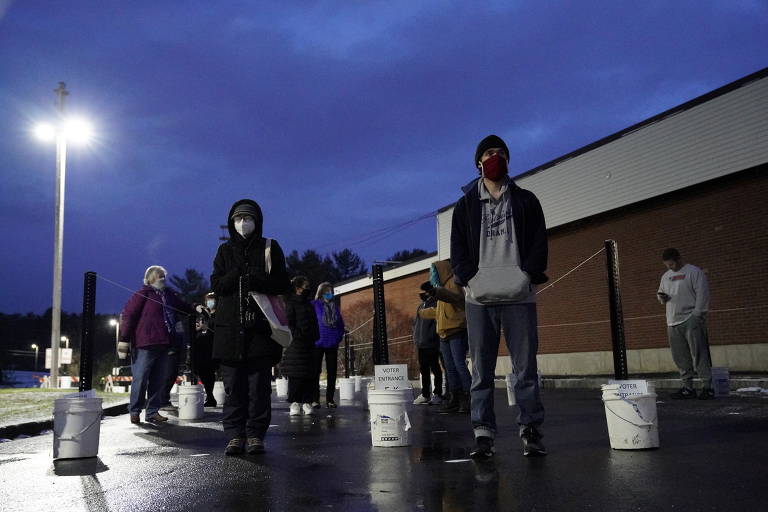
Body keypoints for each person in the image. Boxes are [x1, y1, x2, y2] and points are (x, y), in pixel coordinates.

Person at [451, 134, 549, 458]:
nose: (496, 157)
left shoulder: (526, 201)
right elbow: (458, 252)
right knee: (481, 370)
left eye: (501, 153)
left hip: (519, 296)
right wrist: (471, 280)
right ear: (479, 162)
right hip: (479, 300)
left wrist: (527, 276)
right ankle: (483, 434)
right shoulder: (464, 207)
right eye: (490, 153)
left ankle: (530, 430)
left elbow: (538, 243)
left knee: (525, 368)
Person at [211, 199, 290, 456]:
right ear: (231, 222)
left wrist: (257, 279)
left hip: (260, 330)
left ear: (257, 221)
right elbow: (218, 285)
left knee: (258, 387)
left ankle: (256, 434)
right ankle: (235, 435)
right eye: (238, 219)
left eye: (248, 218)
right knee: (233, 386)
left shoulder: (270, 247)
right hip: (230, 330)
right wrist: (235, 275)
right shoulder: (224, 251)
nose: (243, 223)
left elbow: (282, 283)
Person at [118, 265, 194, 424]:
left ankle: (152, 411)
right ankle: (135, 411)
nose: (163, 280)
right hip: (144, 344)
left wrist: (196, 308)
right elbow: (128, 316)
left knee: (158, 380)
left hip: (164, 343)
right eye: (160, 277)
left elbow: (183, 306)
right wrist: (124, 339)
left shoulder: (168, 295)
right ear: (150, 279)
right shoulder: (142, 295)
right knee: (140, 379)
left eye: (163, 277)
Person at [657, 248, 713, 399]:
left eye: (672, 265)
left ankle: (707, 386)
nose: (670, 268)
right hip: (672, 321)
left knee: (699, 353)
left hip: (691, 318)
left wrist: (697, 314)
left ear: (679, 259)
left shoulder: (693, 272)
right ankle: (688, 387)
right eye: (667, 266)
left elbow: (703, 293)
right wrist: (662, 297)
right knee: (680, 356)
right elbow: (660, 294)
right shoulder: (666, 276)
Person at [419, 260, 471, 414]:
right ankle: (455, 397)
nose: (432, 275)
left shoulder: (453, 283)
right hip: (444, 333)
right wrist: (422, 311)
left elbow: (455, 298)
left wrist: (436, 292)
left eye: (434, 271)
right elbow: (440, 311)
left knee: (459, 365)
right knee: (450, 368)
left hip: (456, 331)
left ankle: (468, 397)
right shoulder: (441, 288)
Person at [282, 276, 321, 416]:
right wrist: (298, 335)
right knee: (296, 375)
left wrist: (315, 335)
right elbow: (289, 323)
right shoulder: (291, 303)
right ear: (298, 288)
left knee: (309, 375)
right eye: (305, 286)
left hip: (310, 344)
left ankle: (306, 401)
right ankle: (295, 402)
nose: (308, 289)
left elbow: (314, 321)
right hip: (296, 345)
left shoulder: (309, 304)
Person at [311, 282, 345, 408]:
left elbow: (341, 324)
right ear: (321, 292)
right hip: (317, 342)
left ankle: (330, 399)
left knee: (332, 372)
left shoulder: (335, 307)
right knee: (315, 371)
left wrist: (338, 337)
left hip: (332, 343)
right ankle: (315, 399)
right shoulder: (314, 305)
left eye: (331, 291)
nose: (329, 294)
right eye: (327, 291)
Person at [411, 291, 443, 405]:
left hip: (432, 342)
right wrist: (416, 338)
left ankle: (438, 394)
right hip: (421, 343)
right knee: (424, 369)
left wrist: (434, 338)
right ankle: (425, 394)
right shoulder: (421, 305)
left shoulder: (436, 304)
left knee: (435, 368)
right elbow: (417, 324)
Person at [193, 292, 218, 407]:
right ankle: (210, 396)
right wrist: (198, 328)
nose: (210, 302)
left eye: (212, 300)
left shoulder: (219, 315)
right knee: (203, 373)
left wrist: (208, 327)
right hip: (201, 348)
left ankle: (211, 397)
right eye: (208, 300)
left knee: (210, 373)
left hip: (213, 348)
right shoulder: (203, 314)